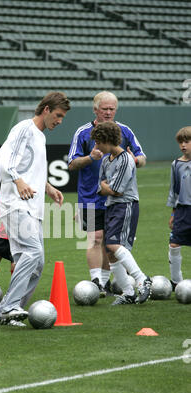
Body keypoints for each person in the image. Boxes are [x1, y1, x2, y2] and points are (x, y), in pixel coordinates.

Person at [0, 91, 71, 326]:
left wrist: (47, 187)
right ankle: (9, 306)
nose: (59, 121)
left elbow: (29, 169)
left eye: (62, 117)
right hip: (15, 204)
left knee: (37, 264)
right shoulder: (24, 128)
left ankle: (3, 314)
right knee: (33, 253)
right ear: (46, 109)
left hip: (33, 208)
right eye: (57, 115)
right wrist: (17, 181)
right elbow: (3, 160)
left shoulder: (40, 136)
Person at [68, 91, 146, 296]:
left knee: (109, 243)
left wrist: (133, 160)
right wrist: (90, 158)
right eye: (105, 109)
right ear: (95, 110)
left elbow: (142, 157)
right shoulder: (83, 133)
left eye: (112, 109)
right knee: (96, 238)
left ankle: (105, 283)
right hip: (90, 197)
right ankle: (97, 282)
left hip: (116, 198)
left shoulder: (125, 131)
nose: (109, 112)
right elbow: (72, 163)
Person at [92, 121, 152, 305]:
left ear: (106, 140)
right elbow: (100, 187)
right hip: (111, 206)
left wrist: (105, 188)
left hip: (125, 205)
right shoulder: (105, 160)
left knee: (114, 245)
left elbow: (116, 190)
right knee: (110, 252)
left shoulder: (126, 159)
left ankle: (142, 279)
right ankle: (128, 292)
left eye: (98, 142)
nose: (96, 147)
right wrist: (105, 188)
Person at [167, 126, 191, 290]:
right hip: (182, 211)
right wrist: (173, 213)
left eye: (187, 141)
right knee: (174, 244)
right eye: (181, 142)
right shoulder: (176, 164)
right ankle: (176, 282)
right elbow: (174, 190)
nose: (183, 145)